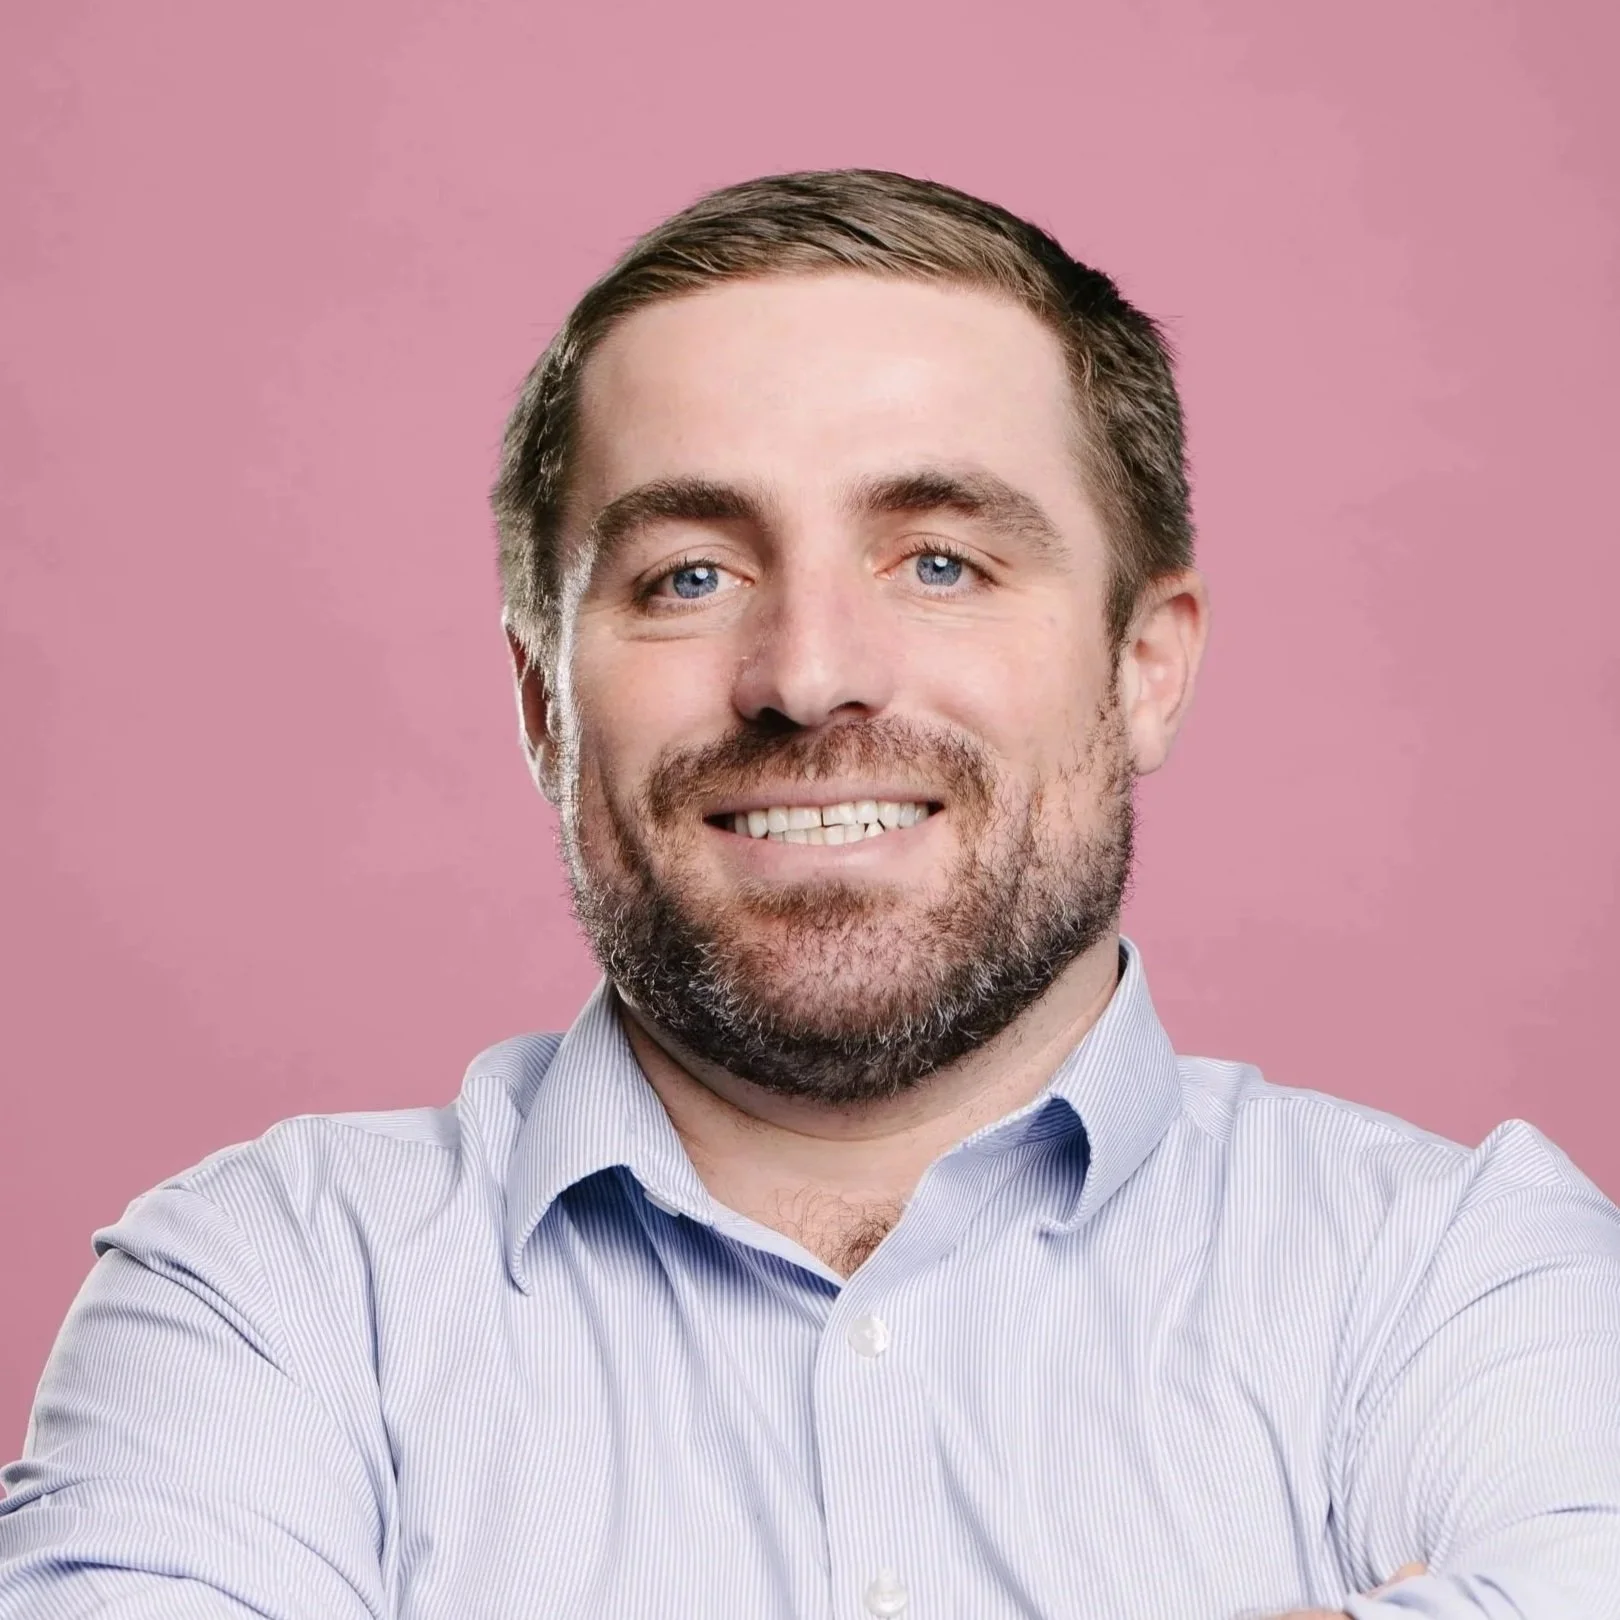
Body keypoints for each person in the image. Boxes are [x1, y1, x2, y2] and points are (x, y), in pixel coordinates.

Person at [1, 169, 1616, 1620]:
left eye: (940, 560)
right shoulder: (267, 1292)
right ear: (543, 700)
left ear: (1145, 666)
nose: (809, 676)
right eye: (689, 575)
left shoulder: (1460, 1274)